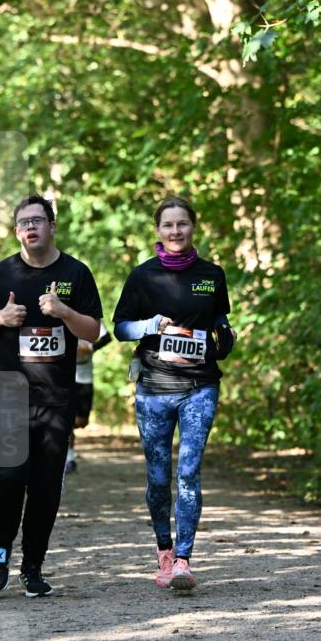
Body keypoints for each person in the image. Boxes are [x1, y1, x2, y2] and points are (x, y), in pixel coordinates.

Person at [0, 193, 103, 597]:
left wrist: (64, 312)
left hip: (56, 398)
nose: (30, 227)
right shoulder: (0, 274)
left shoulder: (76, 273)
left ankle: (33, 565)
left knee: (46, 486)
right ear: (16, 231)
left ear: (51, 226)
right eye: (23, 222)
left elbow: (93, 332)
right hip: (10, 393)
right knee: (10, 475)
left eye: (38, 220)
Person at [113, 195, 236, 591]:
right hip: (154, 389)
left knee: (188, 471)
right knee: (157, 476)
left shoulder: (212, 275)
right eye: (168, 225)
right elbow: (120, 328)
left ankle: (184, 559)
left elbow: (220, 321)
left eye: (182, 224)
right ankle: (163, 551)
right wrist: (149, 326)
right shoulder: (142, 276)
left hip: (200, 386)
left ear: (193, 227)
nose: (175, 231)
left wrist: (226, 336)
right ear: (158, 231)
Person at [65, 323, 111, 474]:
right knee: (67, 419)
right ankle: (69, 458)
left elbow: (107, 338)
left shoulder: (90, 316)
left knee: (82, 421)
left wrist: (91, 348)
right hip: (65, 376)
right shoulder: (59, 313)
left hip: (85, 377)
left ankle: (67, 433)